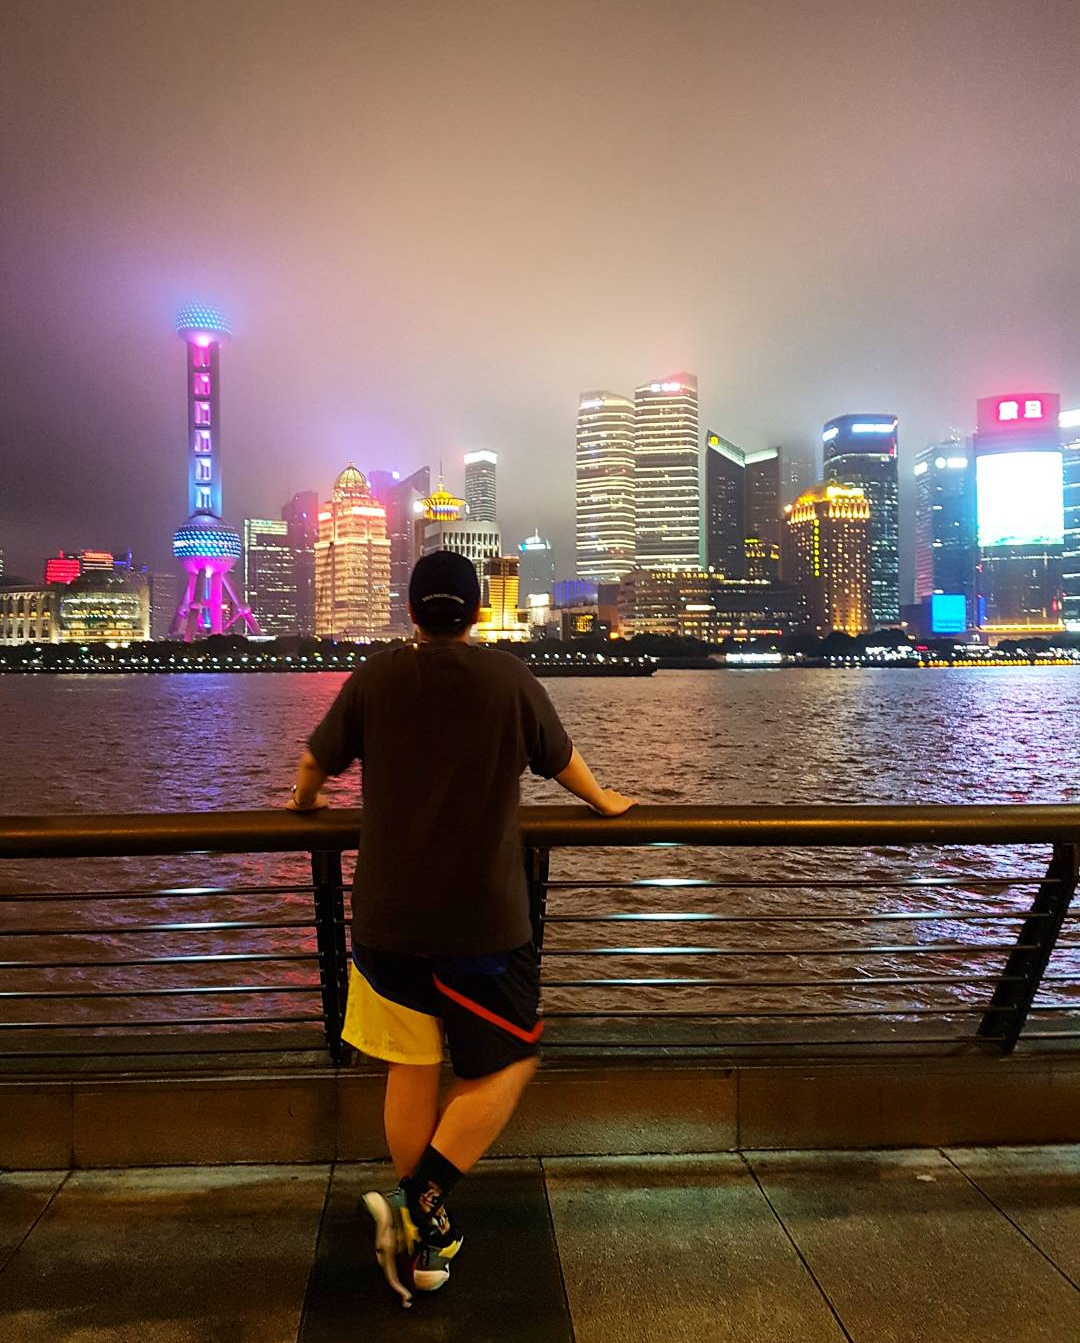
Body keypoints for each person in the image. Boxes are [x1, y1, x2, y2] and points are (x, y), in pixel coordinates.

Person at [288, 549, 635, 1307]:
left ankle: (424, 1243)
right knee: (514, 1058)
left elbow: (315, 763)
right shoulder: (509, 678)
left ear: (411, 611)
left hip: (386, 920)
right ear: (478, 611)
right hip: (482, 922)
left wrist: (304, 803)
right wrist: (605, 800)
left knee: (412, 1068)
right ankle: (424, 1200)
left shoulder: (376, 677)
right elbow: (561, 760)